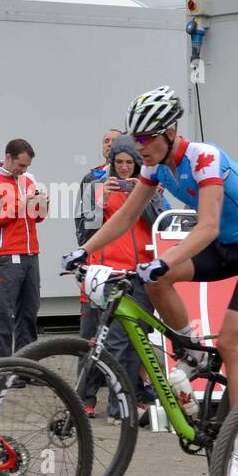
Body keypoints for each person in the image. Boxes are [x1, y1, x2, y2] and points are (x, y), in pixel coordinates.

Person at [64, 86, 238, 476]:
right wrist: (86, 249)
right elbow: (127, 216)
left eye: (148, 139)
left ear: (171, 132)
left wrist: (163, 260)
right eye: (137, 140)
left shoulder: (205, 158)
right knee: (157, 281)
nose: (140, 148)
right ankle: (192, 351)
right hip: (224, 246)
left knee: (231, 343)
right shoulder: (155, 166)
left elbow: (207, 225)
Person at [79, 135, 164, 418]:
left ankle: (125, 401)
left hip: (139, 275)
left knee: (135, 339)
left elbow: (160, 226)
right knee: (107, 341)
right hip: (107, 274)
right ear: (112, 163)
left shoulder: (149, 187)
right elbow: (84, 233)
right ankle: (106, 403)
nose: (125, 168)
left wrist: (146, 195)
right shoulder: (95, 186)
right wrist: (100, 201)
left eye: (130, 162)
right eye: (120, 162)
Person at [0, 138, 48, 358]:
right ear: (8, 158)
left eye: (27, 167)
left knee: (29, 314)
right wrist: (19, 205)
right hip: (5, 256)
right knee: (3, 314)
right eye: (21, 165)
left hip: (31, 255)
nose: (23, 171)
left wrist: (42, 205)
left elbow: (37, 219)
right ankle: (1, 372)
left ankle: (26, 369)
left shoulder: (29, 179)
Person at [75, 128, 123, 245]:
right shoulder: (91, 178)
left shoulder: (139, 176)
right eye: (106, 141)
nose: (110, 144)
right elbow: (81, 218)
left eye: (114, 141)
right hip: (98, 243)